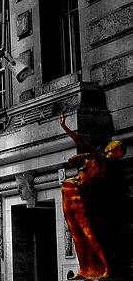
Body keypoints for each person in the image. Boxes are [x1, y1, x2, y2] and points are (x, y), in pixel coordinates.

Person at [60, 113, 126, 280]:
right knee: (77, 234)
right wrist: (86, 156)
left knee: (89, 233)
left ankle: (106, 267)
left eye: (113, 146)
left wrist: (66, 127)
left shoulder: (104, 161)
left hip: (82, 196)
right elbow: (72, 158)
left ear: (114, 150)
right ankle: (85, 268)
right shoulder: (97, 158)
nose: (110, 146)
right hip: (71, 192)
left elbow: (80, 143)